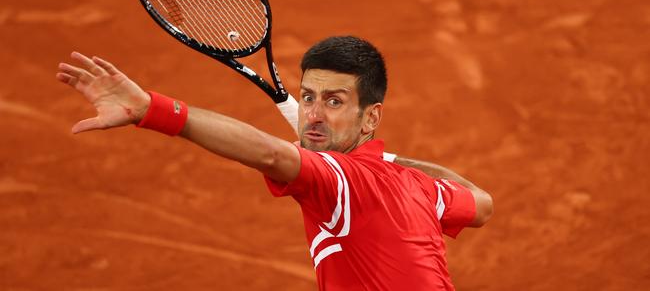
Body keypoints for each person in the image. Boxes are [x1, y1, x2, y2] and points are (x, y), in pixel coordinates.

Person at [56, 36, 493, 290]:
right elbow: (481, 202)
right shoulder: (416, 186)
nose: (314, 114)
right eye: (309, 98)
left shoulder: (340, 179)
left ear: (371, 116)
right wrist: (392, 160)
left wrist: (151, 109)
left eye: (335, 102)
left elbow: (270, 153)